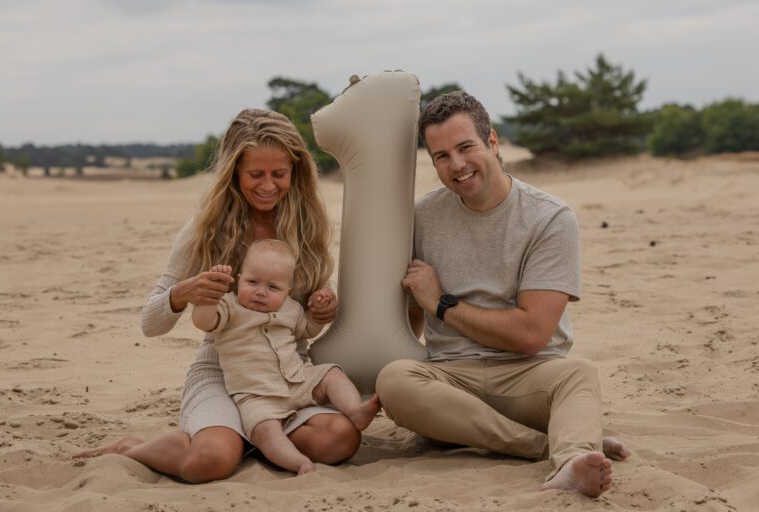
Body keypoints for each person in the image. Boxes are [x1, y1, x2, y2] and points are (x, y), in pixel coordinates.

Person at [73, 108, 362, 482]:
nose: (269, 185)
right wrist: (183, 293)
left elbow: (303, 322)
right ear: (234, 172)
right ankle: (132, 447)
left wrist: (323, 310)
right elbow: (150, 323)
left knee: (339, 440)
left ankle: (249, 437)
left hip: (286, 374)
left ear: (296, 171)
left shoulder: (307, 225)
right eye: (255, 174)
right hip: (222, 372)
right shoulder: (205, 228)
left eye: (279, 174)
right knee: (209, 462)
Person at [375, 91, 629, 498]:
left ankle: (569, 453)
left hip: (529, 373)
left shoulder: (550, 217)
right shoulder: (420, 217)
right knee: (394, 379)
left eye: (465, 147)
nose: (456, 165)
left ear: (492, 141)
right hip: (451, 379)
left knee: (578, 374)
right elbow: (409, 323)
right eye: (441, 156)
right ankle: (551, 449)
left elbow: (532, 335)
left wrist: (441, 302)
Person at [192, 240, 380, 475]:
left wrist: (317, 314)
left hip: (296, 379)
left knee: (331, 373)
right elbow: (204, 321)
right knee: (265, 432)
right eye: (252, 282)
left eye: (273, 287)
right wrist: (208, 298)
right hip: (255, 394)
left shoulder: (290, 308)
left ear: (287, 291)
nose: (261, 291)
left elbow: (307, 330)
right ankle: (298, 462)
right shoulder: (229, 307)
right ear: (239, 279)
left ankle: (354, 411)